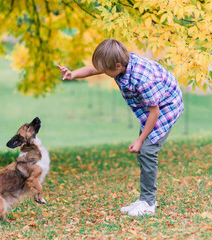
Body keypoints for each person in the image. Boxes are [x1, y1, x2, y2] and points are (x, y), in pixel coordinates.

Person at [56, 39, 184, 216]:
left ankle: (148, 203)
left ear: (117, 66)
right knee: (144, 152)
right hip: (152, 107)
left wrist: (140, 140)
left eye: (106, 71)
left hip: (166, 107)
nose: (104, 73)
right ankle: (144, 199)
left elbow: (154, 113)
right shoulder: (118, 63)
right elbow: (94, 69)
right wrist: (73, 74)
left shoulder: (143, 80)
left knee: (147, 151)